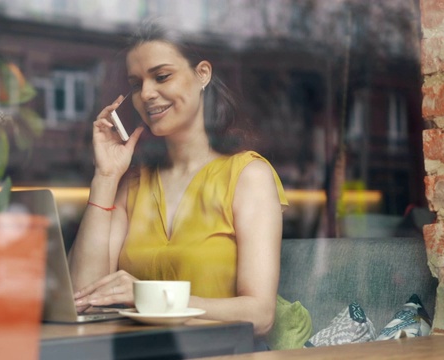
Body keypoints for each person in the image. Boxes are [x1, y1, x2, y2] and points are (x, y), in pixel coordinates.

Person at [67, 19, 293, 343]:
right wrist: (105, 176)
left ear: (202, 74)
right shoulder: (133, 183)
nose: (146, 94)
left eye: (161, 76)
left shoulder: (247, 176)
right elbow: (83, 298)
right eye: (135, 84)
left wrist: (148, 296)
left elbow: (260, 316)